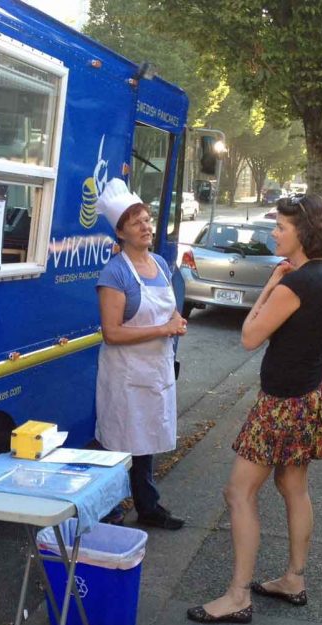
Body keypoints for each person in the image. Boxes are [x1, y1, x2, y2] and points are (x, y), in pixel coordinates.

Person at [187, 194, 322, 625]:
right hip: (311, 397)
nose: (273, 233)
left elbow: (249, 336)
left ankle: (238, 594)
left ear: (304, 232)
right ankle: (294, 578)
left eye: (280, 227)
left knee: (238, 493)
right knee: (293, 487)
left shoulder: (295, 284)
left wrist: (271, 285)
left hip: (281, 405)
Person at [94, 178, 188, 530]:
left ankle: (148, 506)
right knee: (117, 442)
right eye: (137, 223)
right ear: (121, 233)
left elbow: (170, 312)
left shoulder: (161, 265)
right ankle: (107, 508)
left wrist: (176, 321)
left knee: (145, 439)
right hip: (125, 373)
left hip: (155, 370)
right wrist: (164, 330)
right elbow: (113, 332)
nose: (147, 227)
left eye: (147, 219)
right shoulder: (114, 274)